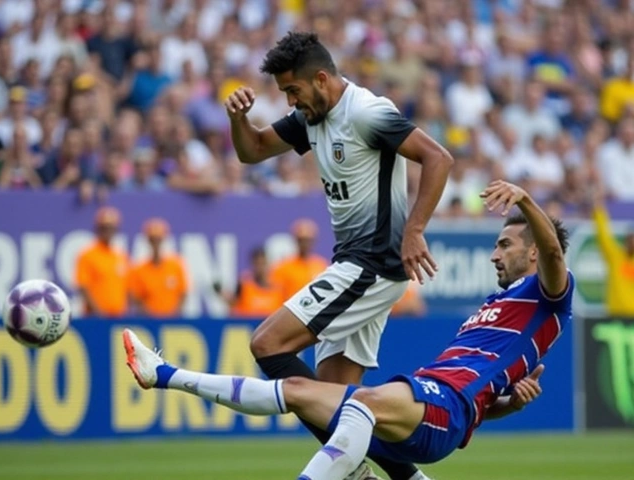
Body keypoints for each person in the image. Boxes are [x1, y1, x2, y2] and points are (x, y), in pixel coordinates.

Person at [123, 180, 573, 480]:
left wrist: (526, 201)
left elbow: (555, 255)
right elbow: (480, 404)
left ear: (533, 254)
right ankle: (163, 376)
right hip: (437, 406)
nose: (495, 254)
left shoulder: (548, 294)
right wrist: (508, 405)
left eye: (505, 244)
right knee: (298, 389)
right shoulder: (498, 306)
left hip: (442, 406)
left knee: (361, 406)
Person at [224, 31, 453, 480]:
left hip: (371, 264)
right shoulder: (312, 118)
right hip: (355, 264)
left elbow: (438, 158)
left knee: (267, 344)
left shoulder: (366, 113)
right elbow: (251, 151)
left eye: (294, 91)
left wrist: (415, 230)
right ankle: (405, 477)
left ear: (322, 79)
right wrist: (237, 118)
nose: (291, 103)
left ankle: (353, 474)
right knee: (339, 399)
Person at [128, 218, 190, 318]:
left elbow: (183, 293)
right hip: (148, 321)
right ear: (148, 241)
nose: (156, 243)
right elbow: (136, 298)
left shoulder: (176, 265)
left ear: (163, 239)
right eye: (153, 239)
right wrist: (150, 316)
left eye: (158, 239)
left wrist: (175, 314)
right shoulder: (139, 269)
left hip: (172, 320)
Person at [75, 206, 129, 317]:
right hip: (95, 318)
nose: (107, 231)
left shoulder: (120, 255)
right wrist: (99, 314)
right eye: (104, 228)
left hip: (118, 317)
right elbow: (83, 286)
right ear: (98, 229)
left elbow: (126, 288)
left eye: (110, 227)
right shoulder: (88, 255)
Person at [591, 191, 634, 317]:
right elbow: (603, 234)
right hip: (615, 315)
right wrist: (598, 208)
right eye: (630, 239)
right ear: (626, 240)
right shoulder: (616, 256)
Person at [270, 218, 328, 303]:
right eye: (301, 240)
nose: (305, 244)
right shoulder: (283, 267)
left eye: (308, 240)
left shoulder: (321, 265)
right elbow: (275, 296)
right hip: (291, 311)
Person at [227, 247, 284, 318]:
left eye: (262, 263)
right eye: (257, 264)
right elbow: (233, 304)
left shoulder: (278, 288)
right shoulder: (244, 285)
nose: (260, 268)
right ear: (252, 264)